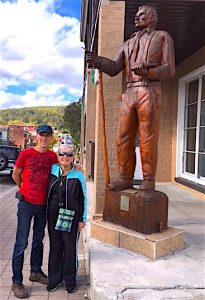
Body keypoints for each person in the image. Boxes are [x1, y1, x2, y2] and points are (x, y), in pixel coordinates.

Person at [86, 5, 175, 192]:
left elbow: (169, 69)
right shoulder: (128, 43)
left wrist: (149, 72)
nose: (136, 18)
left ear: (151, 17)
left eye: (141, 15)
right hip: (129, 92)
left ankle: (148, 179)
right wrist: (98, 61)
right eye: (135, 15)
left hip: (149, 90)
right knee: (122, 137)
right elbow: (114, 67)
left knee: (147, 137)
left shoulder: (162, 37)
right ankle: (125, 177)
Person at [11, 125, 58, 298]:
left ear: (51, 138)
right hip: (26, 204)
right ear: (37, 137)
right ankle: (17, 281)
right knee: (21, 242)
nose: (44, 138)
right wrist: (23, 188)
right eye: (41, 135)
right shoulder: (26, 154)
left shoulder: (53, 157)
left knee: (39, 240)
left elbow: (60, 172)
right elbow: (16, 174)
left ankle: (35, 272)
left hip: (43, 205)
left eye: (47, 136)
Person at [47, 145, 86, 293]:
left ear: (73, 157)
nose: (65, 156)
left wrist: (82, 218)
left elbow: (84, 197)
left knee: (69, 247)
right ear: (58, 156)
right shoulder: (52, 170)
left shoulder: (78, 174)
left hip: (71, 215)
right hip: (53, 215)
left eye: (69, 154)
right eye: (62, 154)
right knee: (55, 247)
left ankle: (70, 279)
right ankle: (55, 279)